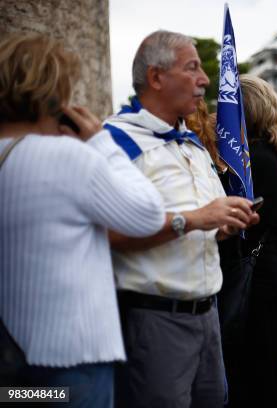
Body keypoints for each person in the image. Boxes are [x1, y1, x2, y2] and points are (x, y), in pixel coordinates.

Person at [0, 33, 165, 406]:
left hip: (12, 360)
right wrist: (100, 141)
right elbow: (148, 214)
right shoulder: (67, 157)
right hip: (71, 360)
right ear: (54, 95)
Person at [103, 30, 258, 408]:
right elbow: (107, 233)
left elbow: (204, 223)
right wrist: (194, 220)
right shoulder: (115, 143)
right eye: (192, 68)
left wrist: (224, 224)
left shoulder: (191, 143)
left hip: (208, 314)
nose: (205, 80)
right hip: (154, 318)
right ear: (156, 77)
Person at [220, 74, 277, 407]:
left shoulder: (254, 158)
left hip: (255, 271)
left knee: (254, 368)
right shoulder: (266, 152)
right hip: (267, 268)